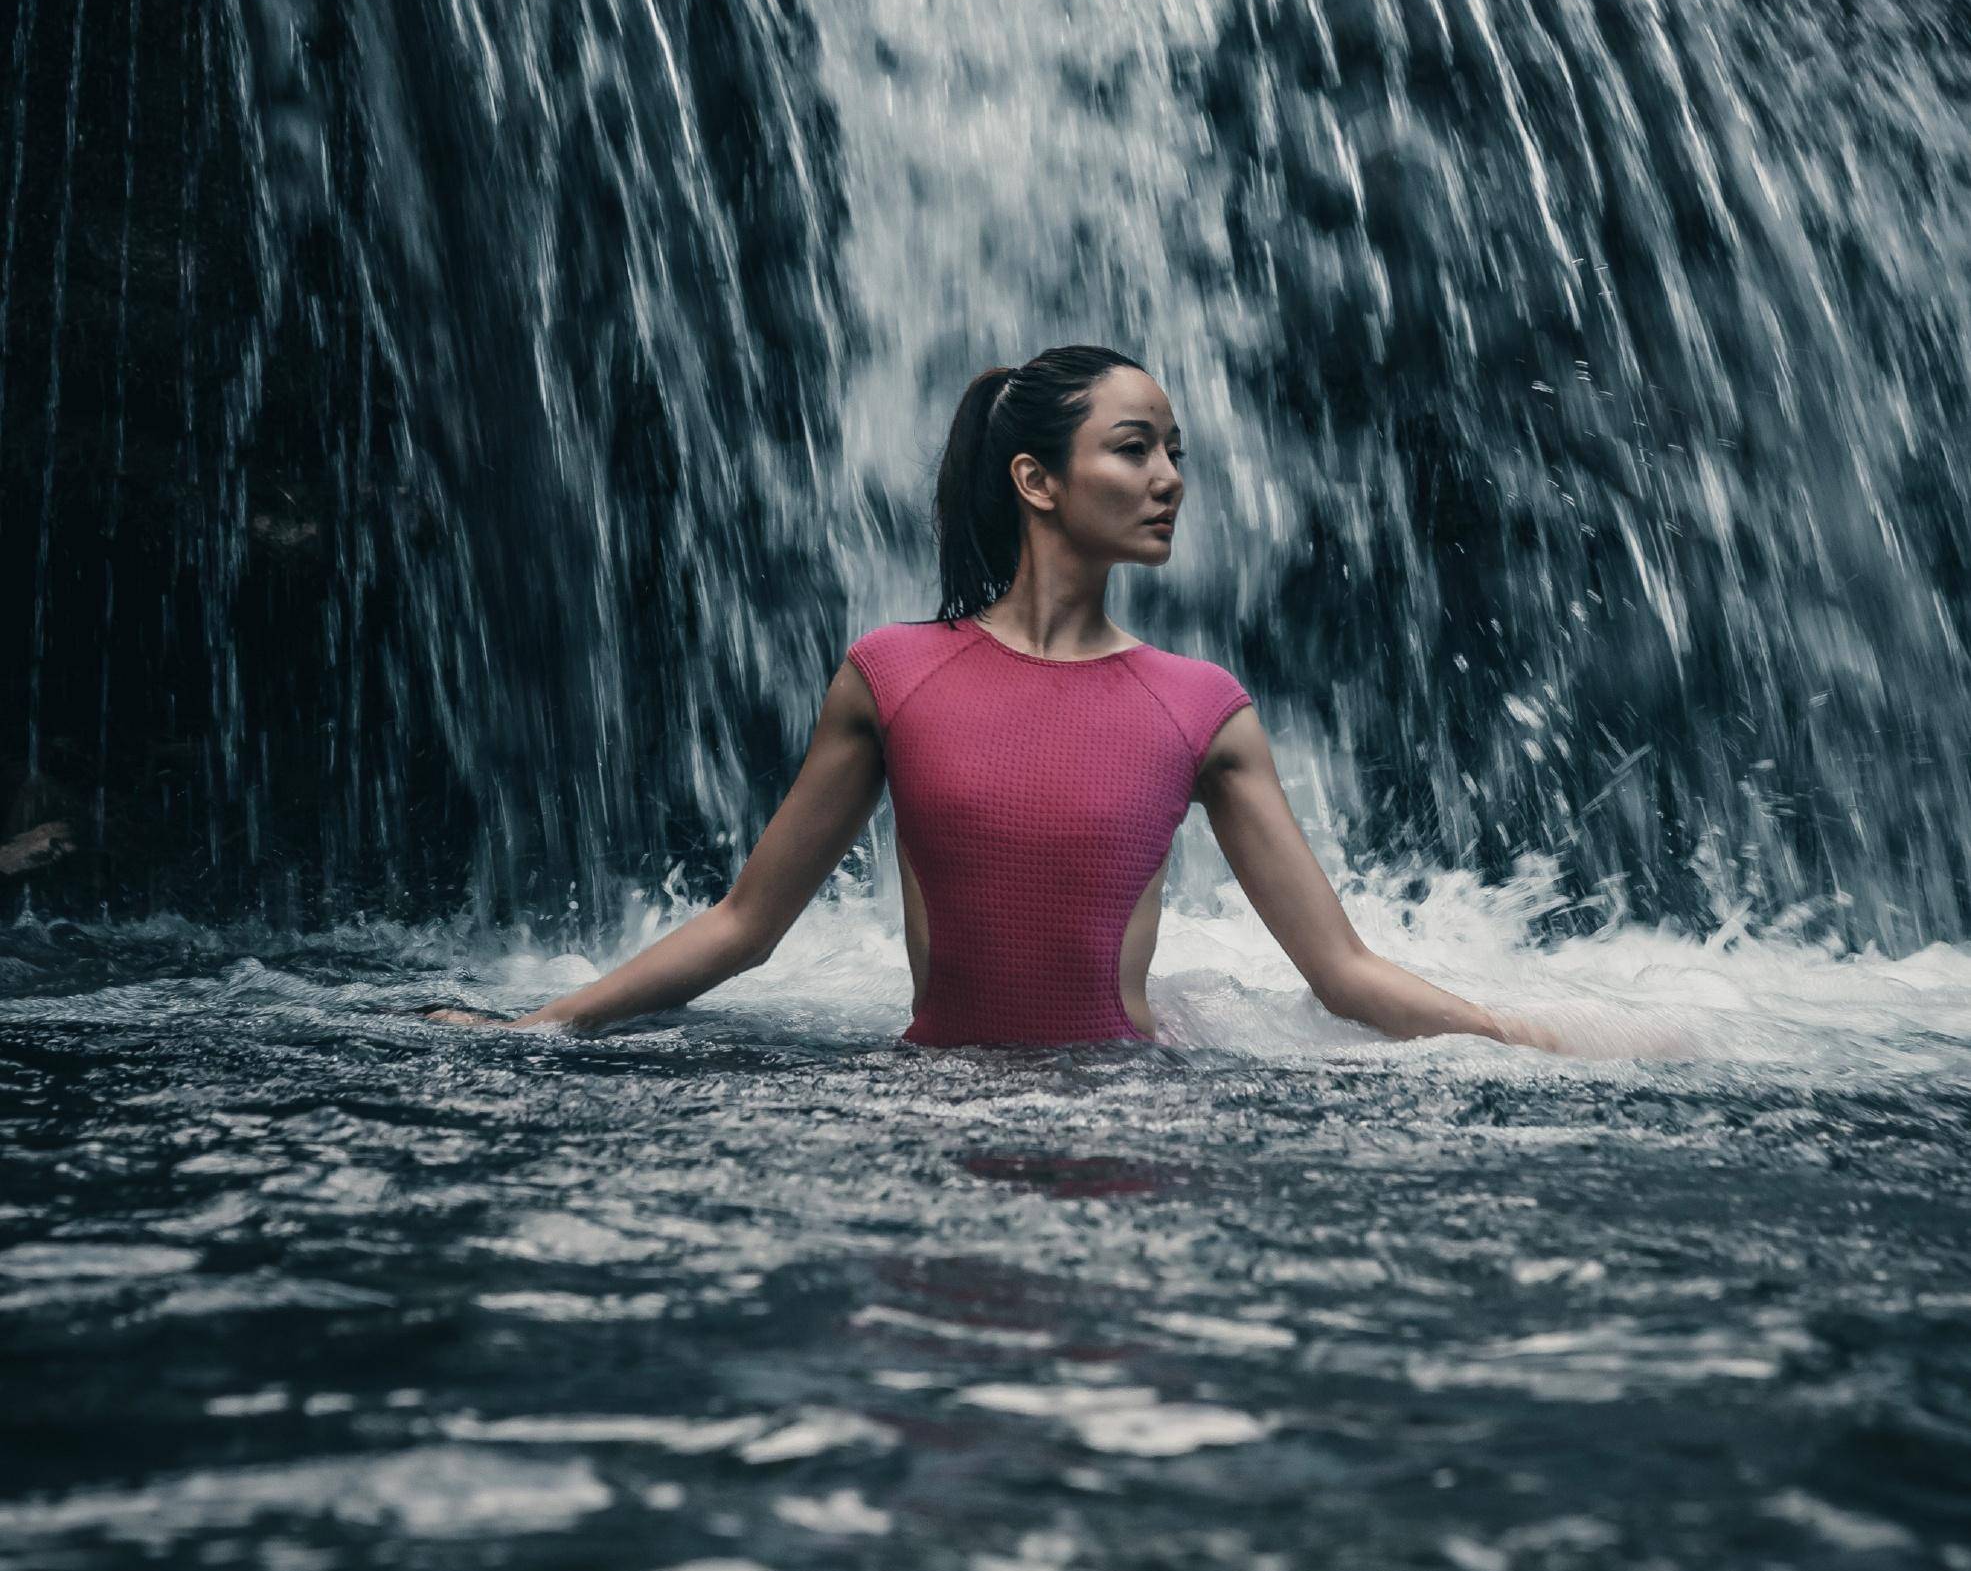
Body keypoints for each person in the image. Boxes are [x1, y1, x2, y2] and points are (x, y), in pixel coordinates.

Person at [422, 345, 1561, 1051]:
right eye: (1133, 449)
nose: (1170, 478)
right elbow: (745, 925)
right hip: (937, 1114)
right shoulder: (891, 675)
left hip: (1130, 1113)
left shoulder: (1204, 707)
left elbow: (1344, 973)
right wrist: (539, 1027)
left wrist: (1535, 1037)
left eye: (1175, 450)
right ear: (1036, 480)